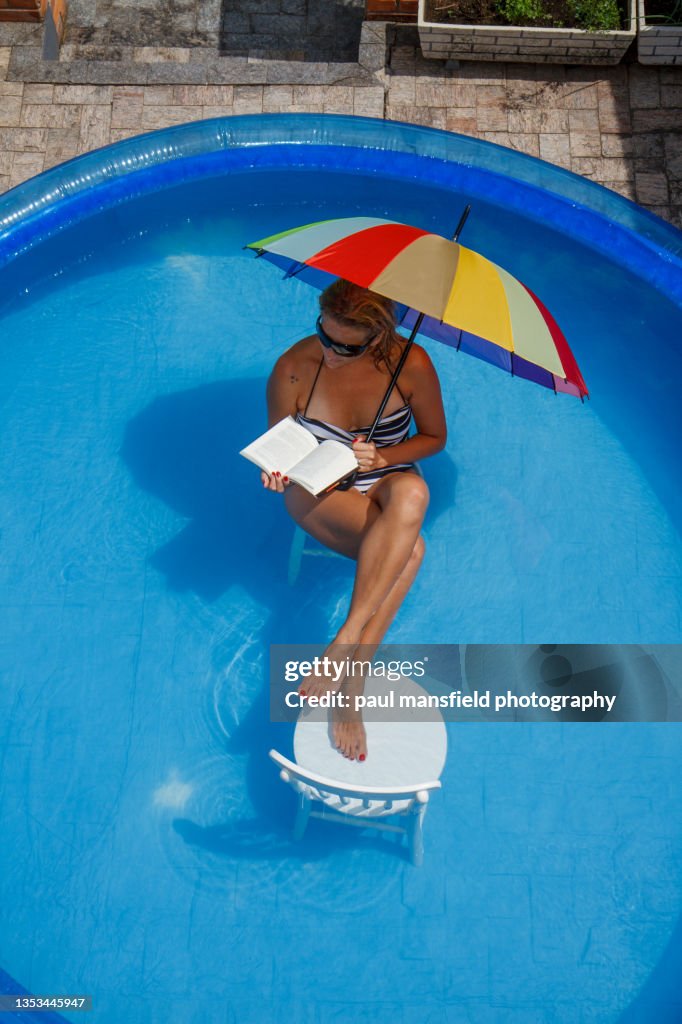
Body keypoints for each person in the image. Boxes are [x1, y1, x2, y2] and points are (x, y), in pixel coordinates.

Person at [261, 280, 447, 761]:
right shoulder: (293, 368)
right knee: (412, 553)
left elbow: (432, 438)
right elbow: (279, 443)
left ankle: (345, 641)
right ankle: (353, 678)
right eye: (325, 336)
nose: (331, 352)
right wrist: (274, 470)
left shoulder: (412, 365)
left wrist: (382, 456)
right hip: (318, 491)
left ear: (379, 335)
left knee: (414, 490)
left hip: (385, 475)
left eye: (347, 346)